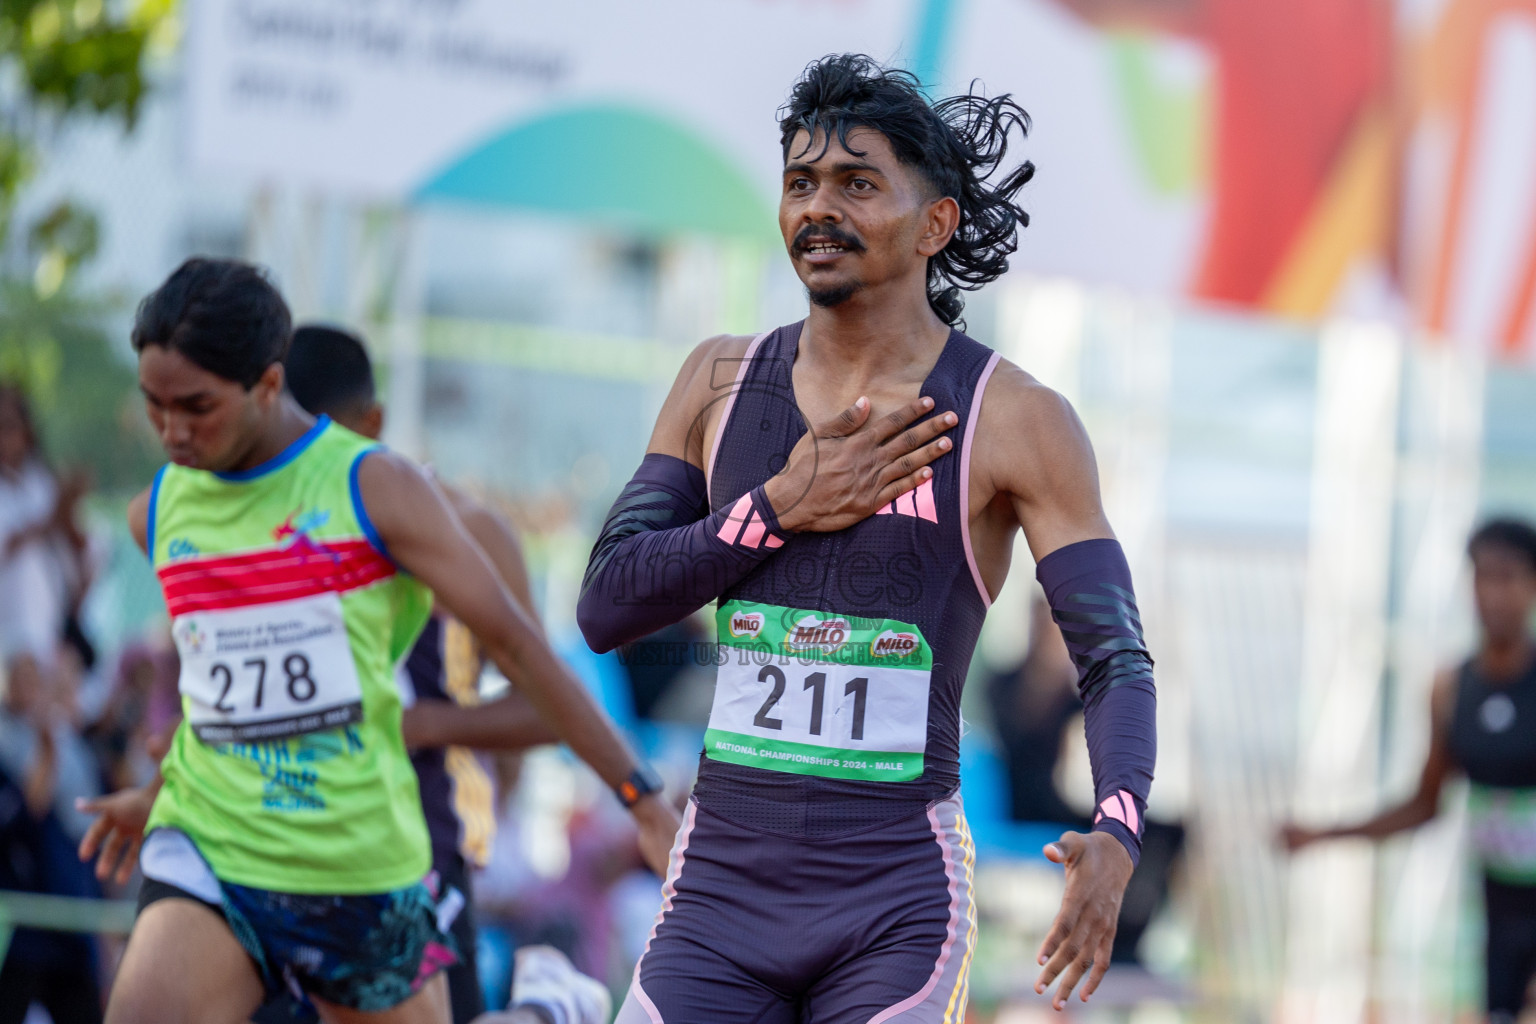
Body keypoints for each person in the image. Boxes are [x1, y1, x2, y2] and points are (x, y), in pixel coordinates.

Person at [577, 54, 1158, 1020]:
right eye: (800, 183)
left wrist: (1119, 828)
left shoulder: (1013, 418)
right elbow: (607, 604)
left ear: (937, 223)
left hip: (894, 905)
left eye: (857, 183)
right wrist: (779, 507)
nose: (818, 208)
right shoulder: (718, 382)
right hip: (718, 894)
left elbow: (1113, 657)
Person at [75, 258, 680, 1024]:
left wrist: (641, 797)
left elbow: (522, 649)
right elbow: (229, 694)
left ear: (267, 385)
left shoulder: (376, 489)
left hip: (354, 869)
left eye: (196, 407)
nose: (172, 432)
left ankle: (544, 1010)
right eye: (155, 407)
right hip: (209, 849)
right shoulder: (158, 514)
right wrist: (155, 792)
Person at [275, 322, 571, 1024]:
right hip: (289, 832)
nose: (297, 473)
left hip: (423, 841)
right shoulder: (261, 518)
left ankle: (546, 1008)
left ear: (369, 426)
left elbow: (549, 706)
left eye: (316, 447)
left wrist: (426, 724)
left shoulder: (465, 528)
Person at [1284, 518, 1536, 1024]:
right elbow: (1425, 804)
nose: (1495, 593)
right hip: (1499, 910)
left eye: (1509, 577)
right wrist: (1324, 834)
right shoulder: (1451, 687)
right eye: (1484, 577)